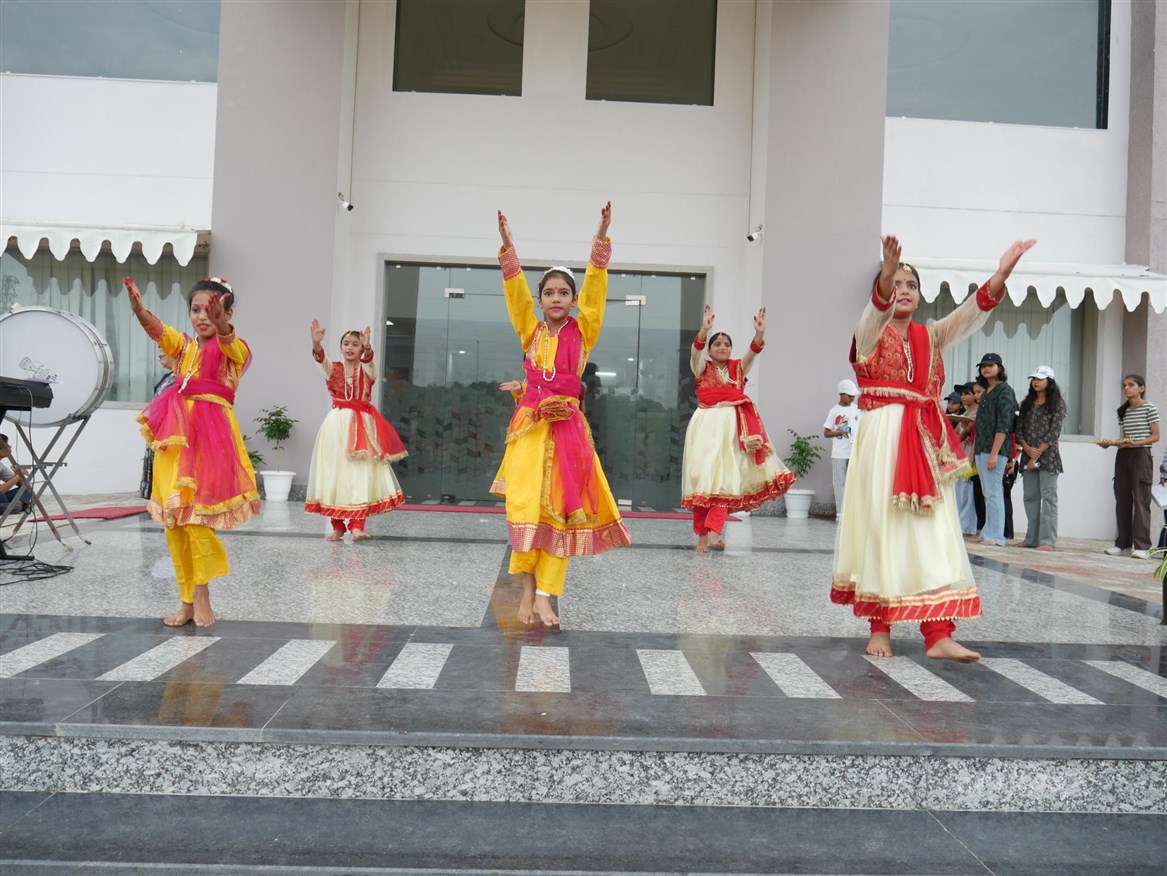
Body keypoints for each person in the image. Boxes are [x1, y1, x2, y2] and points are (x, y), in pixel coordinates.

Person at [832, 233, 1036, 663]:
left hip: (926, 442)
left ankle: (938, 633)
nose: (903, 291)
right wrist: (886, 276)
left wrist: (1001, 274)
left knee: (935, 532)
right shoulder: (868, 334)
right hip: (883, 440)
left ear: (920, 296)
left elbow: (970, 313)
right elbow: (874, 311)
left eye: (911, 285)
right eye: (896, 284)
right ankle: (880, 626)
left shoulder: (932, 336)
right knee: (882, 527)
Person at [491, 203, 632, 626]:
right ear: (540, 300)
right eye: (549, 293)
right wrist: (508, 247)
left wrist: (600, 238)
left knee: (561, 511)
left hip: (567, 428)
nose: (556, 298)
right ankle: (527, 589)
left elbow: (596, 291)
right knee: (525, 509)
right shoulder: (530, 331)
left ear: (573, 300)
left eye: (564, 293)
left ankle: (545, 595)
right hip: (529, 429)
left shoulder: (583, 331)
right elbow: (515, 295)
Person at [127, 276, 260, 627]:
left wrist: (221, 326)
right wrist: (139, 310)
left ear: (228, 314)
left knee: (197, 519)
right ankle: (185, 600)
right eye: (196, 310)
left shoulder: (236, 349)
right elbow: (160, 332)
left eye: (212, 310)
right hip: (176, 439)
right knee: (174, 523)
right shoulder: (184, 347)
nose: (203, 316)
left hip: (210, 440)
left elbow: (231, 343)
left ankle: (202, 594)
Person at [682, 305, 795, 551]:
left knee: (725, 480)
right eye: (717, 344)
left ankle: (714, 533)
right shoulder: (702, 367)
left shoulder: (737, 368)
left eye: (727, 344)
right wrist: (705, 330)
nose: (722, 347)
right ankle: (702, 537)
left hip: (732, 432)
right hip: (705, 430)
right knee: (704, 482)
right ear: (710, 350)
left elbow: (752, 354)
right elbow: (695, 352)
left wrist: (759, 334)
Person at [304, 321, 407, 541]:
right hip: (336, 426)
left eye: (355, 344)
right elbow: (320, 359)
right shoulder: (333, 369)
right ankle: (337, 525)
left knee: (360, 473)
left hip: (362, 427)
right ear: (340, 347)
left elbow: (370, 361)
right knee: (333, 472)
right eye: (346, 343)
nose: (350, 347)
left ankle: (357, 526)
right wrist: (316, 343)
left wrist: (368, 347)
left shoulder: (367, 369)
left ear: (361, 349)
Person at [1103, 374, 1160, 560]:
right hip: (1123, 455)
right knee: (1122, 499)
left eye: (1131, 385)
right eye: (1124, 385)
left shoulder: (1149, 408)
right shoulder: (1124, 411)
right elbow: (1125, 437)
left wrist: (1134, 443)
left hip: (1141, 455)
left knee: (1141, 500)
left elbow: (1155, 436)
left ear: (1141, 388)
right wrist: (1111, 443)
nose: (1126, 388)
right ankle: (1123, 544)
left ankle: (1142, 546)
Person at [1014, 365, 1066, 550]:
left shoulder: (1057, 404)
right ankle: (1031, 539)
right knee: (1030, 497)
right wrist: (1028, 450)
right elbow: (1019, 430)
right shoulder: (1026, 404)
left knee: (1049, 498)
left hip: (1048, 457)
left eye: (1040, 379)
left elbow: (1054, 432)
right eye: (1034, 379)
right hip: (1027, 455)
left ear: (1049, 382)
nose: (1035, 382)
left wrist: (1037, 452)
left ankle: (1047, 541)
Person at [973, 353, 1016, 546]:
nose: (986, 368)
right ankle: (988, 532)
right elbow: (979, 425)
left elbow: (1004, 425)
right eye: (983, 365)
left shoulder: (1005, 391)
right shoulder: (986, 392)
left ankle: (996, 536)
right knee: (987, 492)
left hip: (995, 450)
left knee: (994, 492)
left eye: (991, 365)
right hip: (981, 449)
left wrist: (994, 453)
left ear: (1000, 368)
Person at [139, 352, 177, 499]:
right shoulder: (168, 376)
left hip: (170, 425)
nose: (160, 359)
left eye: (162, 356)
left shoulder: (179, 377)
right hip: (157, 424)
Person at [822, 379, 861, 521]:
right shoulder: (834, 411)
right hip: (839, 453)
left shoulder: (857, 409)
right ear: (841, 394)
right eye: (849, 396)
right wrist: (839, 432)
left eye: (853, 396)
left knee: (854, 482)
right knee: (839, 483)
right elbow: (826, 433)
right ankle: (840, 513)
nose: (852, 398)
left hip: (854, 452)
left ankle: (853, 513)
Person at [0, 433, 30, 513]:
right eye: (6, 444)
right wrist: (19, 475)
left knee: (27, 488)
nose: (10, 447)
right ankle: (18, 506)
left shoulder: (1, 466)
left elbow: (22, 485)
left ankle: (16, 505)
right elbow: (1, 490)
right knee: (1, 495)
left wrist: (17, 473)